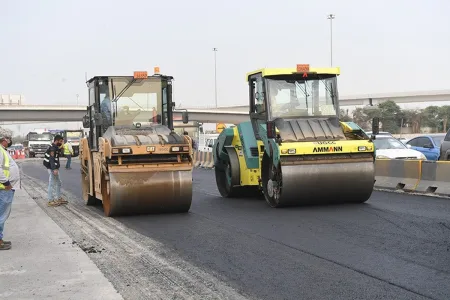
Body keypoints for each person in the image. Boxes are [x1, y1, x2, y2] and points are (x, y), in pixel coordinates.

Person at [0, 129, 20, 250]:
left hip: (5, 188)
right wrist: (6, 182)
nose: (9, 141)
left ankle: (0, 238)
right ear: (4, 140)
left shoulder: (3, 151)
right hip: (4, 188)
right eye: (8, 139)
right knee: (1, 215)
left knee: (2, 215)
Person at [43, 135, 67, 207]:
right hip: (51, 168)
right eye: (60, 141)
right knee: (52, 183)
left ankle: (58, 198)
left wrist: (61, 148)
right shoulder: (52, 149)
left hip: (53, 168)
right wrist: (54, 169)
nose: (61, 143)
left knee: (58, 182)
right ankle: (50, 200)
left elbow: (57, 155)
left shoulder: (55, 148)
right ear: (56, 140)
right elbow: (52, 159)